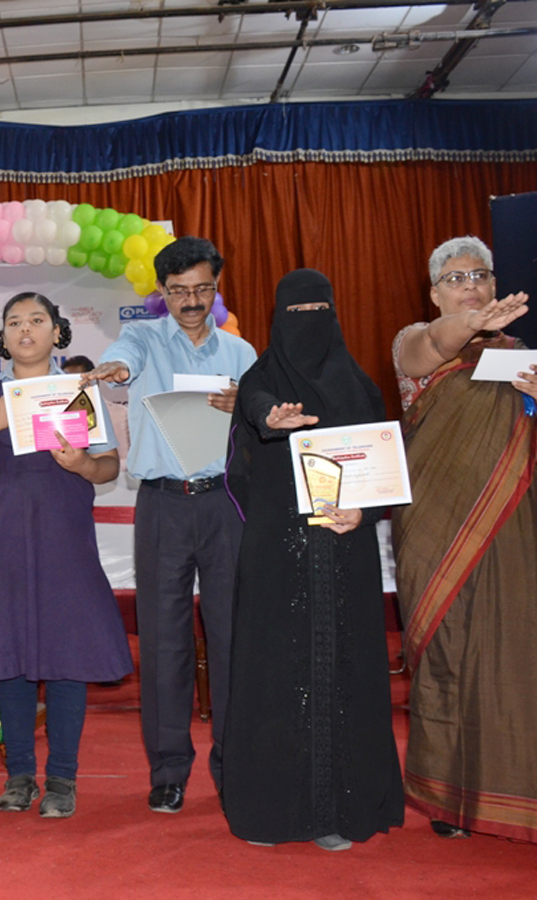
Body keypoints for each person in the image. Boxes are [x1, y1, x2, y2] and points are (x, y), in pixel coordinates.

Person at [223, 269, 404, 851]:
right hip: (279, 554)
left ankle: (336, 809)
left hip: (346, 553)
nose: (309, 323)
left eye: (319, 310)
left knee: (342, 668)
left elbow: (384, 466)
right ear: (277, 319)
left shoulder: (361, 386)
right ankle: (272, 809)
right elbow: (253, 410)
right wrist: (270, 417)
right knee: (275, 673)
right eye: (296, 313)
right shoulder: (262, 378)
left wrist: (365, 511)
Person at [84, 236, 256, 814]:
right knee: (163, 640)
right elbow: (123, 362)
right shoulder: (142, 338)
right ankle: (168, 770)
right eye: (179, 291)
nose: (190, 300)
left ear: (216, 288)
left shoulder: (241, 354)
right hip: (162, 504)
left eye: (202, 289)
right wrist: (114, 371)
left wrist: (248, 409)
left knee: (233, 636)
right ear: (162, 292)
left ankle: (237, 767)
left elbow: (263, 427)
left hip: (226, 504)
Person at [0, 293, 132, 818]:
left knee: (66, 657)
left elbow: (108, 469)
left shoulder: (79, 391)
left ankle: (63, 781)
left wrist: (80, 465)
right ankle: (20, 775)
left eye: (37, 321)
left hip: (63, 540)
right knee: (11, 659)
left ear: (57, 332)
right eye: (14, 323)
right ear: (1, 336)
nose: (25, 330)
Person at [392, 236, 537, 842]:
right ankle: (446, 799)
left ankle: (513, 792)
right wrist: (465, 324)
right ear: (433, 292)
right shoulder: (413, 341)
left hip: (509, 525)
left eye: (480, 274)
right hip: (434, 528)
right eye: (455, 278)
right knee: (446, 657)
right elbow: (433, 347)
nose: (471, 284)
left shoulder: (518, 352)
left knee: (509, 653)